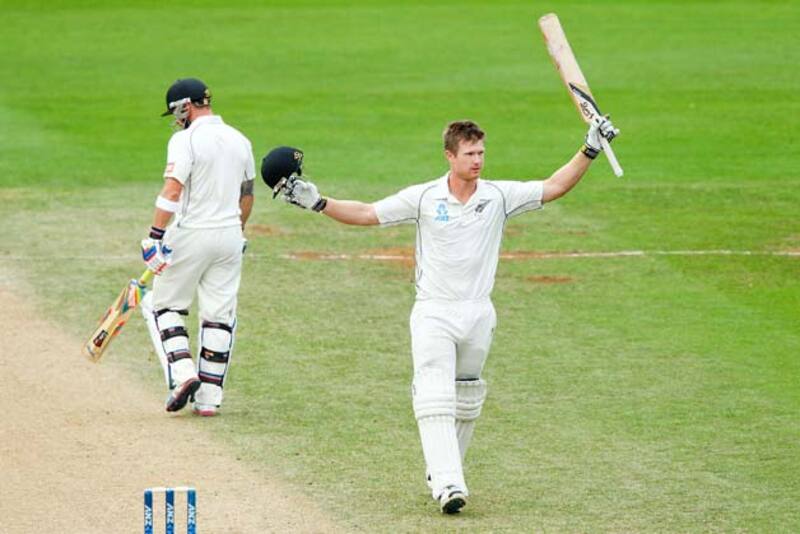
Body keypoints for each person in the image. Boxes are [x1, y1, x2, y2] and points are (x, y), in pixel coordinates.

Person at [268, 116, 618, 513]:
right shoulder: (424, 198)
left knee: (466, 397)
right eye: (469, 154)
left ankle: (443, 471)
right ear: (450, 156)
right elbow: (368, 213)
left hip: (479, 313)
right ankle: (450, 484)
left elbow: (554, 187)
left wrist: (589, 149)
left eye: (481, 153)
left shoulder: (499, 196)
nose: (478, 161)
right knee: (435, 394)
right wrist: (319, 202)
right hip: (434, 311)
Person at [139, 78, 255, 416]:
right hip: (231, 235)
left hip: (191, 233)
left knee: (162, 306)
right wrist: (239, 231)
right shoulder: (240, 139)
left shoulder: (184, 140)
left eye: (176, 113)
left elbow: (172, 190)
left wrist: (154, 237)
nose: (176, 120)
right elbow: (246, 195)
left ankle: (184, 374)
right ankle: (209, 401)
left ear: (184, 107)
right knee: (219, 316)